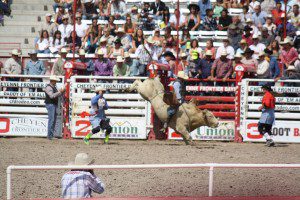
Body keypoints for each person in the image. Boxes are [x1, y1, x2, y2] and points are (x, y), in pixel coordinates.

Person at [44, 76, 65, 140]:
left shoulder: (52, 87)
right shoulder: (48, 87)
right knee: (52, 120)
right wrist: (60, 92)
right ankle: (50, 136)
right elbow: (51, 96)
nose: (56, 82)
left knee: (53, 120)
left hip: (52, 104)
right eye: (55, 81)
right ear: (53, 81)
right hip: (50, 104)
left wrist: (60, 92)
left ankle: (51, 135)